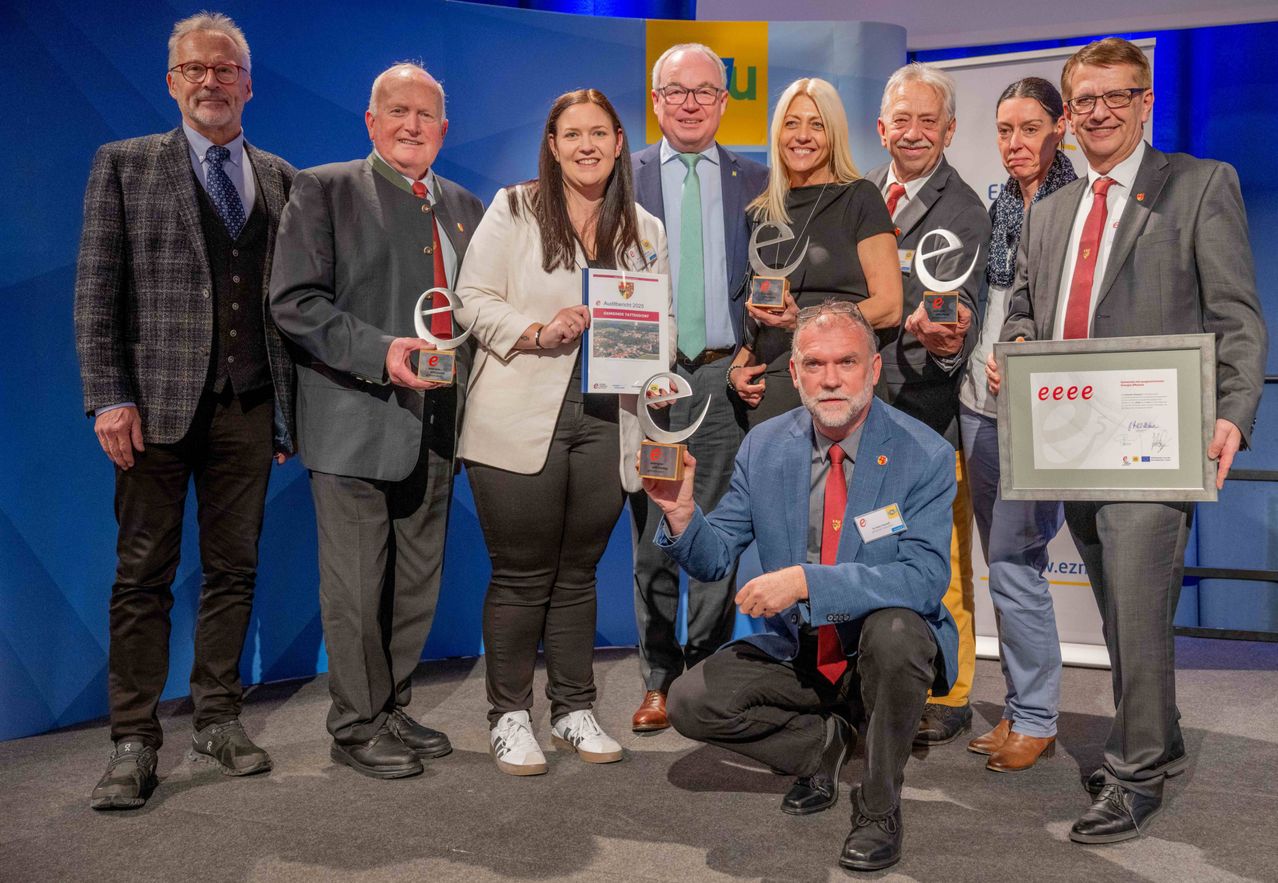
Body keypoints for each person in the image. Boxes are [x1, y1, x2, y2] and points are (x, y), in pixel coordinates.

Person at [991, 37, 1267, 842]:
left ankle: (1135, 773)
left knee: (1140, 614)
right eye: (1086, 101)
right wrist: (1018, 354)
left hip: (1157, 442)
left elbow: (1237, 318)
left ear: (1145, 102)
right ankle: (1164, 734)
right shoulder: (1048, 210)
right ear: (1068, 117)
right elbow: (1025, 311)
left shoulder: (1199, 185)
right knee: (1119, 609)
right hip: (1071, 443)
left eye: (1118, 96)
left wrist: (1233, 411)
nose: (1101, 112)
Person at [74, 12, 296, 810]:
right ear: (172, 82)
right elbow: (97, 290)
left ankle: (218, 716)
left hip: (248, 406)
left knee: (234, 573)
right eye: (195, 70)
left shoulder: (278, 175)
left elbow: (284, 306)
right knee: (142, 575)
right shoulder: (125, 165)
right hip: (153, 411)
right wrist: (109, 394)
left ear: (247, 82)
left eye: (225, 69)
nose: (211, 81)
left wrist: (285, 417)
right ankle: (133, 739)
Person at [650, 300, 957, 871]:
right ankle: (826, 743)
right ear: (793, 374)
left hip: (878, 649)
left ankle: (878, 803)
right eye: (814, 365)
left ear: (872, 368)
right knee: (691, 703)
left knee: (898, 632)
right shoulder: (764, 445)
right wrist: (683, 516)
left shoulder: (925, 454)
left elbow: (923, 578)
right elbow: (715, 559)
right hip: (799, 648)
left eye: (846, 362)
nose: (831, 379)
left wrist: (806, 582)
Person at [269, 63, 484, 779]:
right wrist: (381, 351)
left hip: (436, 427)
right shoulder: (323, 188)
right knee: (357, 587)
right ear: (371, 121)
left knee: (416, 580)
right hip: (354, 422)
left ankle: (391, 704)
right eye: (397, 111)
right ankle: (354, 724)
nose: (411, 125)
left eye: (425, 114)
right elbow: (295, 301)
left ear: (444, 131)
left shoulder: (463, 206)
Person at [453, 89, 671, 776]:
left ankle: (573, 707)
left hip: (608, 418)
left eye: (599, 134)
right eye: (571, 134)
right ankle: (509, 716)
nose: (586, 146)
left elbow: (655, 325)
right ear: (552, 143)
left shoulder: (645, 228)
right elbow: (471, 298)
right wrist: (536, 331)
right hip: (520, 413)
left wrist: (655, 368)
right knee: (521, 574)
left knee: (578, 573)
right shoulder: (513, 209)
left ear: (617, 142)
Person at [627, 43, 768, 732]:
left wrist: (754, 350)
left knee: (711, 528)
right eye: (675, 91)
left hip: (720, 371)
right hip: (645, 376)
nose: (689, 102)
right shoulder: (622, 178)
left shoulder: (758, 180)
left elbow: (776, 286)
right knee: (654, 533)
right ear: (655, 101)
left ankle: (704, 668)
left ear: (722, 102)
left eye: (703, 91)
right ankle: (657, 673)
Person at [865, 62, 990, 747]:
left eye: (927, 121)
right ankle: (890, 679)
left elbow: (960, 309)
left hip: (929, 416)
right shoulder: (861, 197)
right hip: (861, 412)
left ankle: (953, 690)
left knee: (940, 563)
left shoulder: (963, 207)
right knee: (875, 554)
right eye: (901, 119)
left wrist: (944, 337)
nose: (913, 133)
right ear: (881, 127)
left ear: (948, 130)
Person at [959, 77, 1077, 772]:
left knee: (1013, 561)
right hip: (979, 407)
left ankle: (1036, 714)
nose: (1015, 143)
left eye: (1029, 128)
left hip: (1044, 411)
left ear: (1058, 128)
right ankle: (1020, 705)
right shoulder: (999, 203)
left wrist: (1036, 358)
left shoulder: (1079, 204)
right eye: (1005, 130)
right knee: (1006, 567)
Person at [726, 78, 903, 426]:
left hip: (841, 386)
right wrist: (737, 365)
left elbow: (890, 306)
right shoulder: (762, 210)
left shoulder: (860, 197)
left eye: (817, 124)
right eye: (791, 124)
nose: (802, 136)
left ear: (834, 134)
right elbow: (759, 308)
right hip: (773, 388)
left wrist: (805, 323)